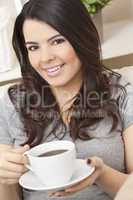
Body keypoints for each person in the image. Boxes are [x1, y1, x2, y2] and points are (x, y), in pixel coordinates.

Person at [0, 0, 133, 199]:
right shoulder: (13, 102)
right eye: (33, 47)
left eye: (57, 41)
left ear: (81, 38)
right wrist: (3, 176)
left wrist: (101, 174)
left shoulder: (120, 92)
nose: (45, 58)